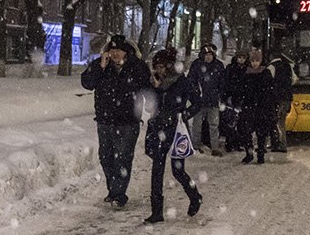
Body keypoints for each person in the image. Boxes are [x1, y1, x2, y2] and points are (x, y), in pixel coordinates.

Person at [79, 33, 152, 209]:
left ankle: (118, 194)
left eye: (119, 50)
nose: (115, 53)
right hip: (105, 119)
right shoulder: (101, 66)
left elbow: (147, 88)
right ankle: (114, 190)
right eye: (112, 50)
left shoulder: (137, 67)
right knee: (105, 157)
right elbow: (87, 83)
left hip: (128, 121)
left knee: (123, 158)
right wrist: (100, 66)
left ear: (125, 51)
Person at [143, 47, 203, 224]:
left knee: (177, 170)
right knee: (157, 168)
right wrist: (154, 90)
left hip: (176, 128)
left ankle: (194, 196)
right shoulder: (155, 82)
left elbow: (197, 102)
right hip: (157, 127)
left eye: (161, 66)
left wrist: (184, 115)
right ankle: (156, 211)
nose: (158, 70)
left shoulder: (182, 82)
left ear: (169, 66)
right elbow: (149, 107)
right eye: (156, 66)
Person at [235, 47, 276, 164]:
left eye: (256, 61)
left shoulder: (265, 73)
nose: (254, 64)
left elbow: (270, 90)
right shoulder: (246, 73)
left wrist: (268, 103)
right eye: (253, 61)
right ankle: (249, 153)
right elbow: (241, 89)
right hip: (249, 106)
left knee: (261, 133)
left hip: (261, 107)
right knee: (246, 131)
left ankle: (260, 154)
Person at [186, 43, 225, 155]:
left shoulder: (218, 65)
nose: (208, 57)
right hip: (199, 101)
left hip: (213, 100)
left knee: (214, 124)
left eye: (210, 54)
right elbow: (191, 80)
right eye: (206, 54)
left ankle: (215, 147)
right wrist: (195, 94)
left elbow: (222, 82)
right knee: (197, 125)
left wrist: (219, 94)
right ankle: (195, 145)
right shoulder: (197, 65)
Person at [267, 47, 297, 153]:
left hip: (276, 98)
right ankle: (282, 143)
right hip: (287, 98)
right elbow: (294, 79)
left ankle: (278, 143)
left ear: (271, 57)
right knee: (282, 121)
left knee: (275, 121)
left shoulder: (271, 67)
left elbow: (268, 82)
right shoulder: (288, 66)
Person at [220, 49, 249, 153]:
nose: (241, 60)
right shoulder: (230, 68)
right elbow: (226, 83)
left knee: (241, 123)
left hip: (243, 98)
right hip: (232, 98)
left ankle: (239, 143)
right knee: (230, 122)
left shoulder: (247, 69)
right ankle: (230, 143)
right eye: (239, 58)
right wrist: (225, 97)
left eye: (243, 58)